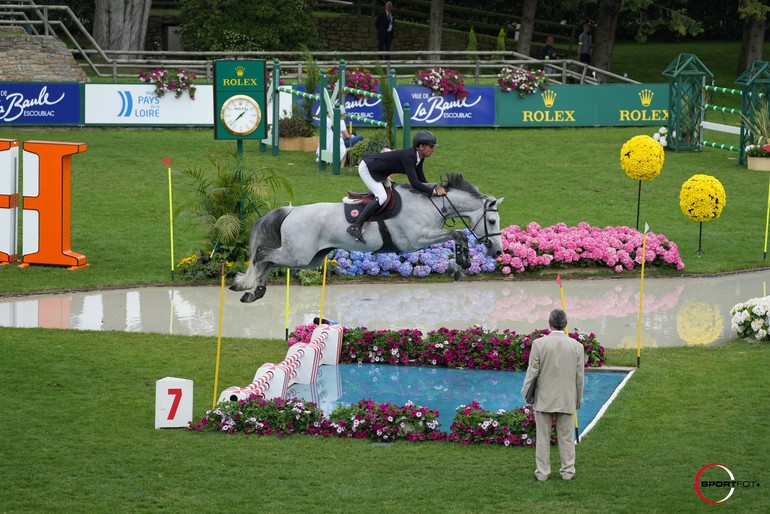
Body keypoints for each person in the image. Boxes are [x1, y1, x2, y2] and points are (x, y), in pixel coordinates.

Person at [347, 130, 446, 243]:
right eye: (431, 147)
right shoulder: (409, 157)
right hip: (368, 169)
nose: (433, 150)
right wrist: (434, 192)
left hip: (380, 171)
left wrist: (435, 187)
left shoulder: (419, 157)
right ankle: (355, 226)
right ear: (421, 146)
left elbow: (421, 180)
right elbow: (414, 183)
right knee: (382, 197)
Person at [521, 309, 584, 481]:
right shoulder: (577, 346)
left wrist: (527, 394)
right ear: (565, 324)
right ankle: (568, 471)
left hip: (543, 398)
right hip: (567, 397)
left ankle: (542, 473)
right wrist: (578, 399)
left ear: (549, 323)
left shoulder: (539, 344)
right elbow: (579, 377)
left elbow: (532, 372)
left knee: (543, 437)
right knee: (566, 437)